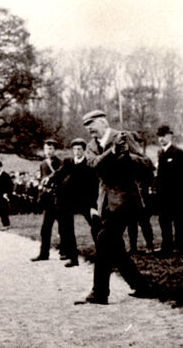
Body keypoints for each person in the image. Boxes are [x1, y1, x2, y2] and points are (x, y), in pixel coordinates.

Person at [75, 110, 155, 305]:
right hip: (106, 204)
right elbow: (93, 165)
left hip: (127, 201)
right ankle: (142, 286)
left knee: (103, 239)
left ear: (103, 122)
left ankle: (100, 293)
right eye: (86, 127)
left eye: (91, 124)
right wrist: (111, 152)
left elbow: (147, 164)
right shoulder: (92, 147)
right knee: (115, 246)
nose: (89, 130)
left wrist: (128, 156)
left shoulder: (124, 137)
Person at [51, 138, 99, 267]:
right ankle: (73, 258)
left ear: (84, 150)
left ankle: (103, 255)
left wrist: (93, 205)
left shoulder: (89, 165)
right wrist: (49, 179)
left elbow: (94, 185)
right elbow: (58, 174)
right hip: (69, 201)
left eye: (79, 149)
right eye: (74, 149)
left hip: (85, 201)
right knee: (67, 229)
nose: (76, 152)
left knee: (96, 226)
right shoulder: (68, 162)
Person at [154, 125, 183, 253]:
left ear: (169, 135)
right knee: (164, 220)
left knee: (178, 220)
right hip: (163, 194)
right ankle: (167, 245)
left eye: (163, 136)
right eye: (159, 136)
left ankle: (180, 244)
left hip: (176, 194)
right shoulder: (160, 153)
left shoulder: (178, 153)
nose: (161, 139)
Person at [31, 139, 63, 262]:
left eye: (51, 149)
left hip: (59, 199)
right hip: (48, 200)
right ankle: (44, 253)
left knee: (63, 228)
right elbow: (41, 180)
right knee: (45, 228)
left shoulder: (60, 163)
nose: (48, 152)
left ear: (55, 150)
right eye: (46, 149)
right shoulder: (43, 164)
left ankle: (64, 251)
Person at [0, 161, 13, 229]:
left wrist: (7, 193)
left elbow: (10, 185)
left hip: (4, 195)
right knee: (0, 210)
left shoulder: (5, 175)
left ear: (1, 167)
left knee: (4, 209)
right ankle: (4, 223)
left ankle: (6, 224)